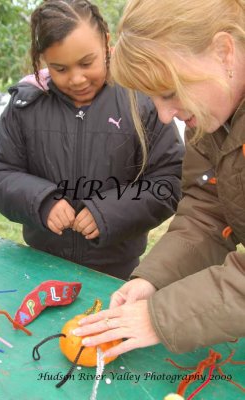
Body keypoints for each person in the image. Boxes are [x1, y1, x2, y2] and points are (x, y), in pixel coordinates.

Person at [72, 0, 245, 356]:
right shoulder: (212, 116)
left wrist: (162, 317)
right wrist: (154, 279)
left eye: (170, 93)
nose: (166, 117)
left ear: (224, 52)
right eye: (154, 99)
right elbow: (209, 213)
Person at [0, 0, 183, 280]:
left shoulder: (142, 102)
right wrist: (42, 201)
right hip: (40, 266)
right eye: (60, 68)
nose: (76, 79)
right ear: (42, 59)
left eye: (87, 63)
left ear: (106, 43)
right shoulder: (26, 105)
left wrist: (107, 211)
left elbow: (169, 180)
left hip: (116, 274)